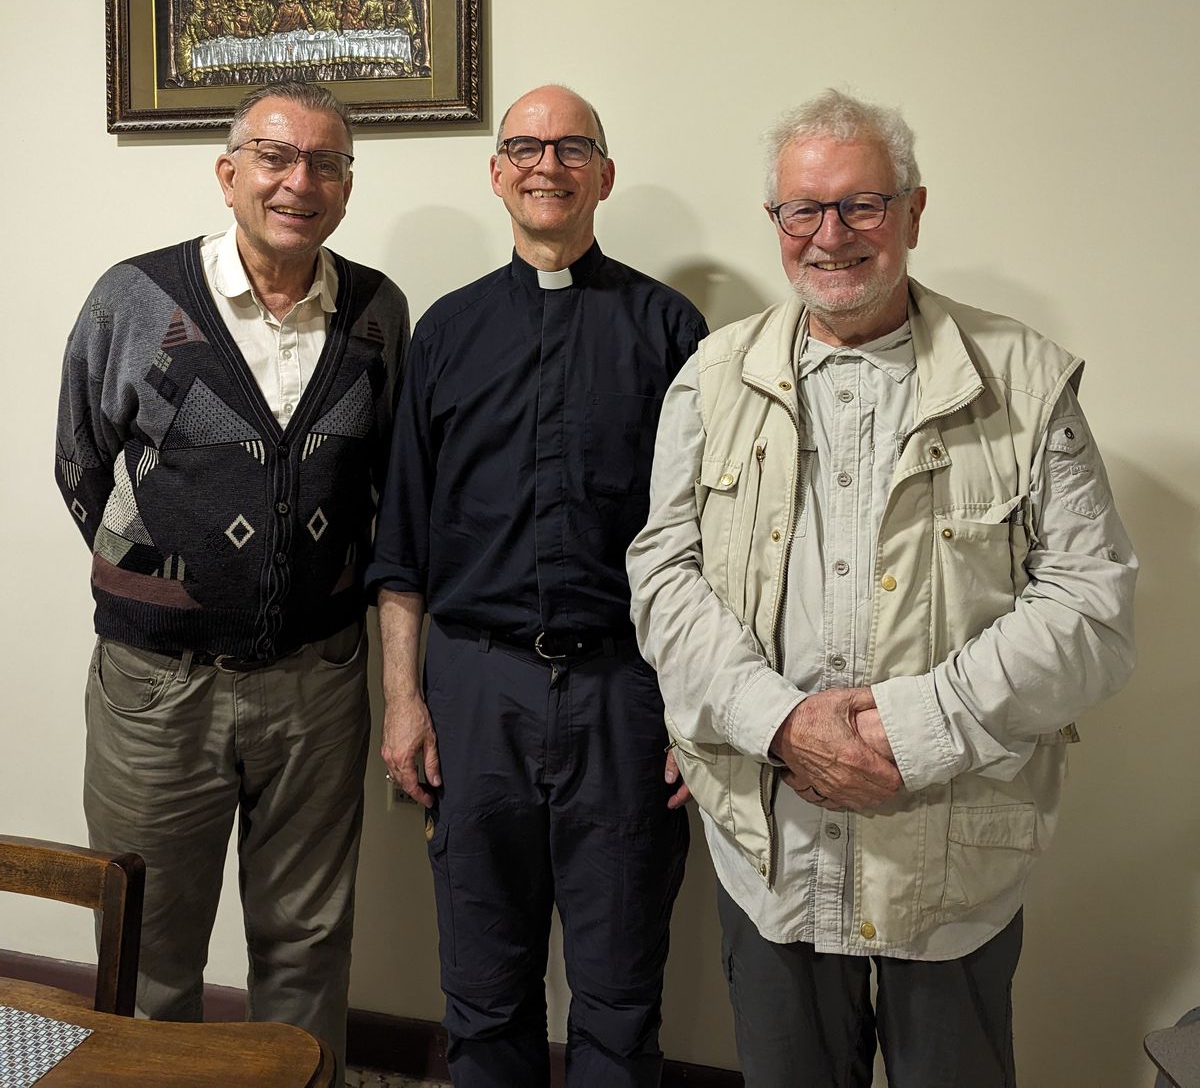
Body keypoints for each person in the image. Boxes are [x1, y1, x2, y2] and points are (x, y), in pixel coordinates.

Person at [627, 88, 1137, 1088]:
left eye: (862, 205)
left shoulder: (1025, 383)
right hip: (770, 836)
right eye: (802, 211)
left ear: (912, 210)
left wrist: (913, 725)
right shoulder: (710, 378)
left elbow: (1092, 608)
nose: (832, 236)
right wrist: (778, 722)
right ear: (775, 223)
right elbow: (664, 572)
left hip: (949, 847)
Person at [54, 80, 408, 1085]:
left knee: (306, 939)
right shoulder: (136, 297)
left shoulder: (379, 311)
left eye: (327, 163)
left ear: (345, 186)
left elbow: (384, 483)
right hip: (157, 690)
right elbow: (80, 456)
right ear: (229, 172)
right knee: (149, 945)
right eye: (276, 157)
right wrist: (171, 582)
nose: (301, 181)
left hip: (319, 679)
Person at [366, 84, 707, 1088]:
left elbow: (710, 546)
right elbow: (404, 543)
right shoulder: (448, 332)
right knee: (482, 987)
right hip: (476, 691)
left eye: (570, 147)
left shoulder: (671, 329)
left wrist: (696, 708)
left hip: (625, 694)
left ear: (604, 174)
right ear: (496, 172)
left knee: (618, 990)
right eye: (523, 145)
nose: (545, 163)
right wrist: (403, 697)